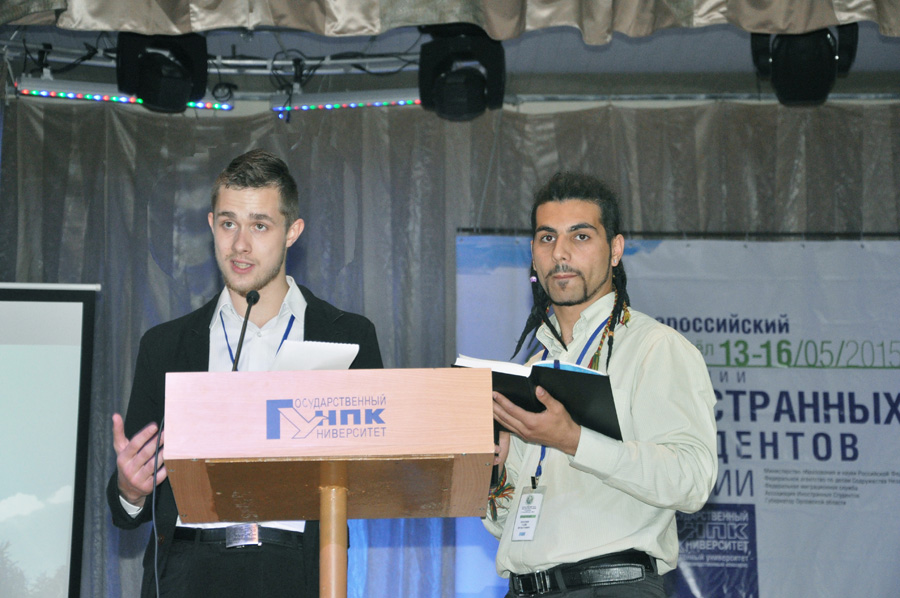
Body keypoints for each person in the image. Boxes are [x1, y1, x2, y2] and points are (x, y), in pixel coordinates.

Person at [107, 149, 383, 598]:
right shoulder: (165, 346)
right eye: (228, 223)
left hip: (297, 568)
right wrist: (130, 489)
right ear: (211, 224)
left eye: (259, 226)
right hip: (187, 571)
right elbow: (128, 506)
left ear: (292, 232)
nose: (239, 244)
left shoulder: (348, 336)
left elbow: (377, 472)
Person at [483, 172, 717, 597]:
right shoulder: (532, 368)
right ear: (533, 254)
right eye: (547, 238)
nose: (560, 253)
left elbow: (692, 479)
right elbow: (505, 522)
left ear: (616, 250)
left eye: (581, 236)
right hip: (524, 588)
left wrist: (574, 440)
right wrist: (493, 472)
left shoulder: (654, 347)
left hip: (611, 586)